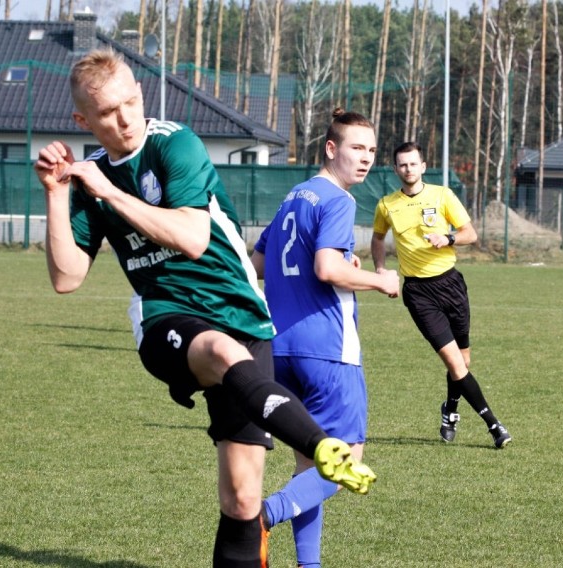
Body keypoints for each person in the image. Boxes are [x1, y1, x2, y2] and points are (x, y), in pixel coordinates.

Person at [33, 49, 375, 568]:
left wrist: (108, 192)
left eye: (131, 102)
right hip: (167, 316)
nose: (125, 118)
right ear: (83, 120)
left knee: (242, 499)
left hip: (246, 318)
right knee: (217, 349)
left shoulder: (176, 144)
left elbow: (192, 236)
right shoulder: (92, 180)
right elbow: (66, 276)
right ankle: (321, 445)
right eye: (107, 112)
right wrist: (58, 195)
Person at [250, 109, 400, 568]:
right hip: (328, 351)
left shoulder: (292, 198)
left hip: (279, 350)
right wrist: (381, 279)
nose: (367, 159)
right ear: (331, 149)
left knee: (308, 464)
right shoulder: (338, 200)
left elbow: (257, 263)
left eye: (372, 151)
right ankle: (261, 516)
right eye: (357, 148)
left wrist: (336, 268)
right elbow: (325, 268)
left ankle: (308, 565)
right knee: (343, 465)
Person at [370, 141, 512, 449]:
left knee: (463, 361)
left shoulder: (442, 195)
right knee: (455, 364)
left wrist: (447, 238)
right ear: (396, 170)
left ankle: (449, 409)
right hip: (419, 293)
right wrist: (381, 268)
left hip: (451, 284)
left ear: (423, 166)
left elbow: (470, 234)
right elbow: (378, 239)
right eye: (402, 164)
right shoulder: (386, 205)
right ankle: (494, 425)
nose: (408, 169)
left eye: (413, 163)